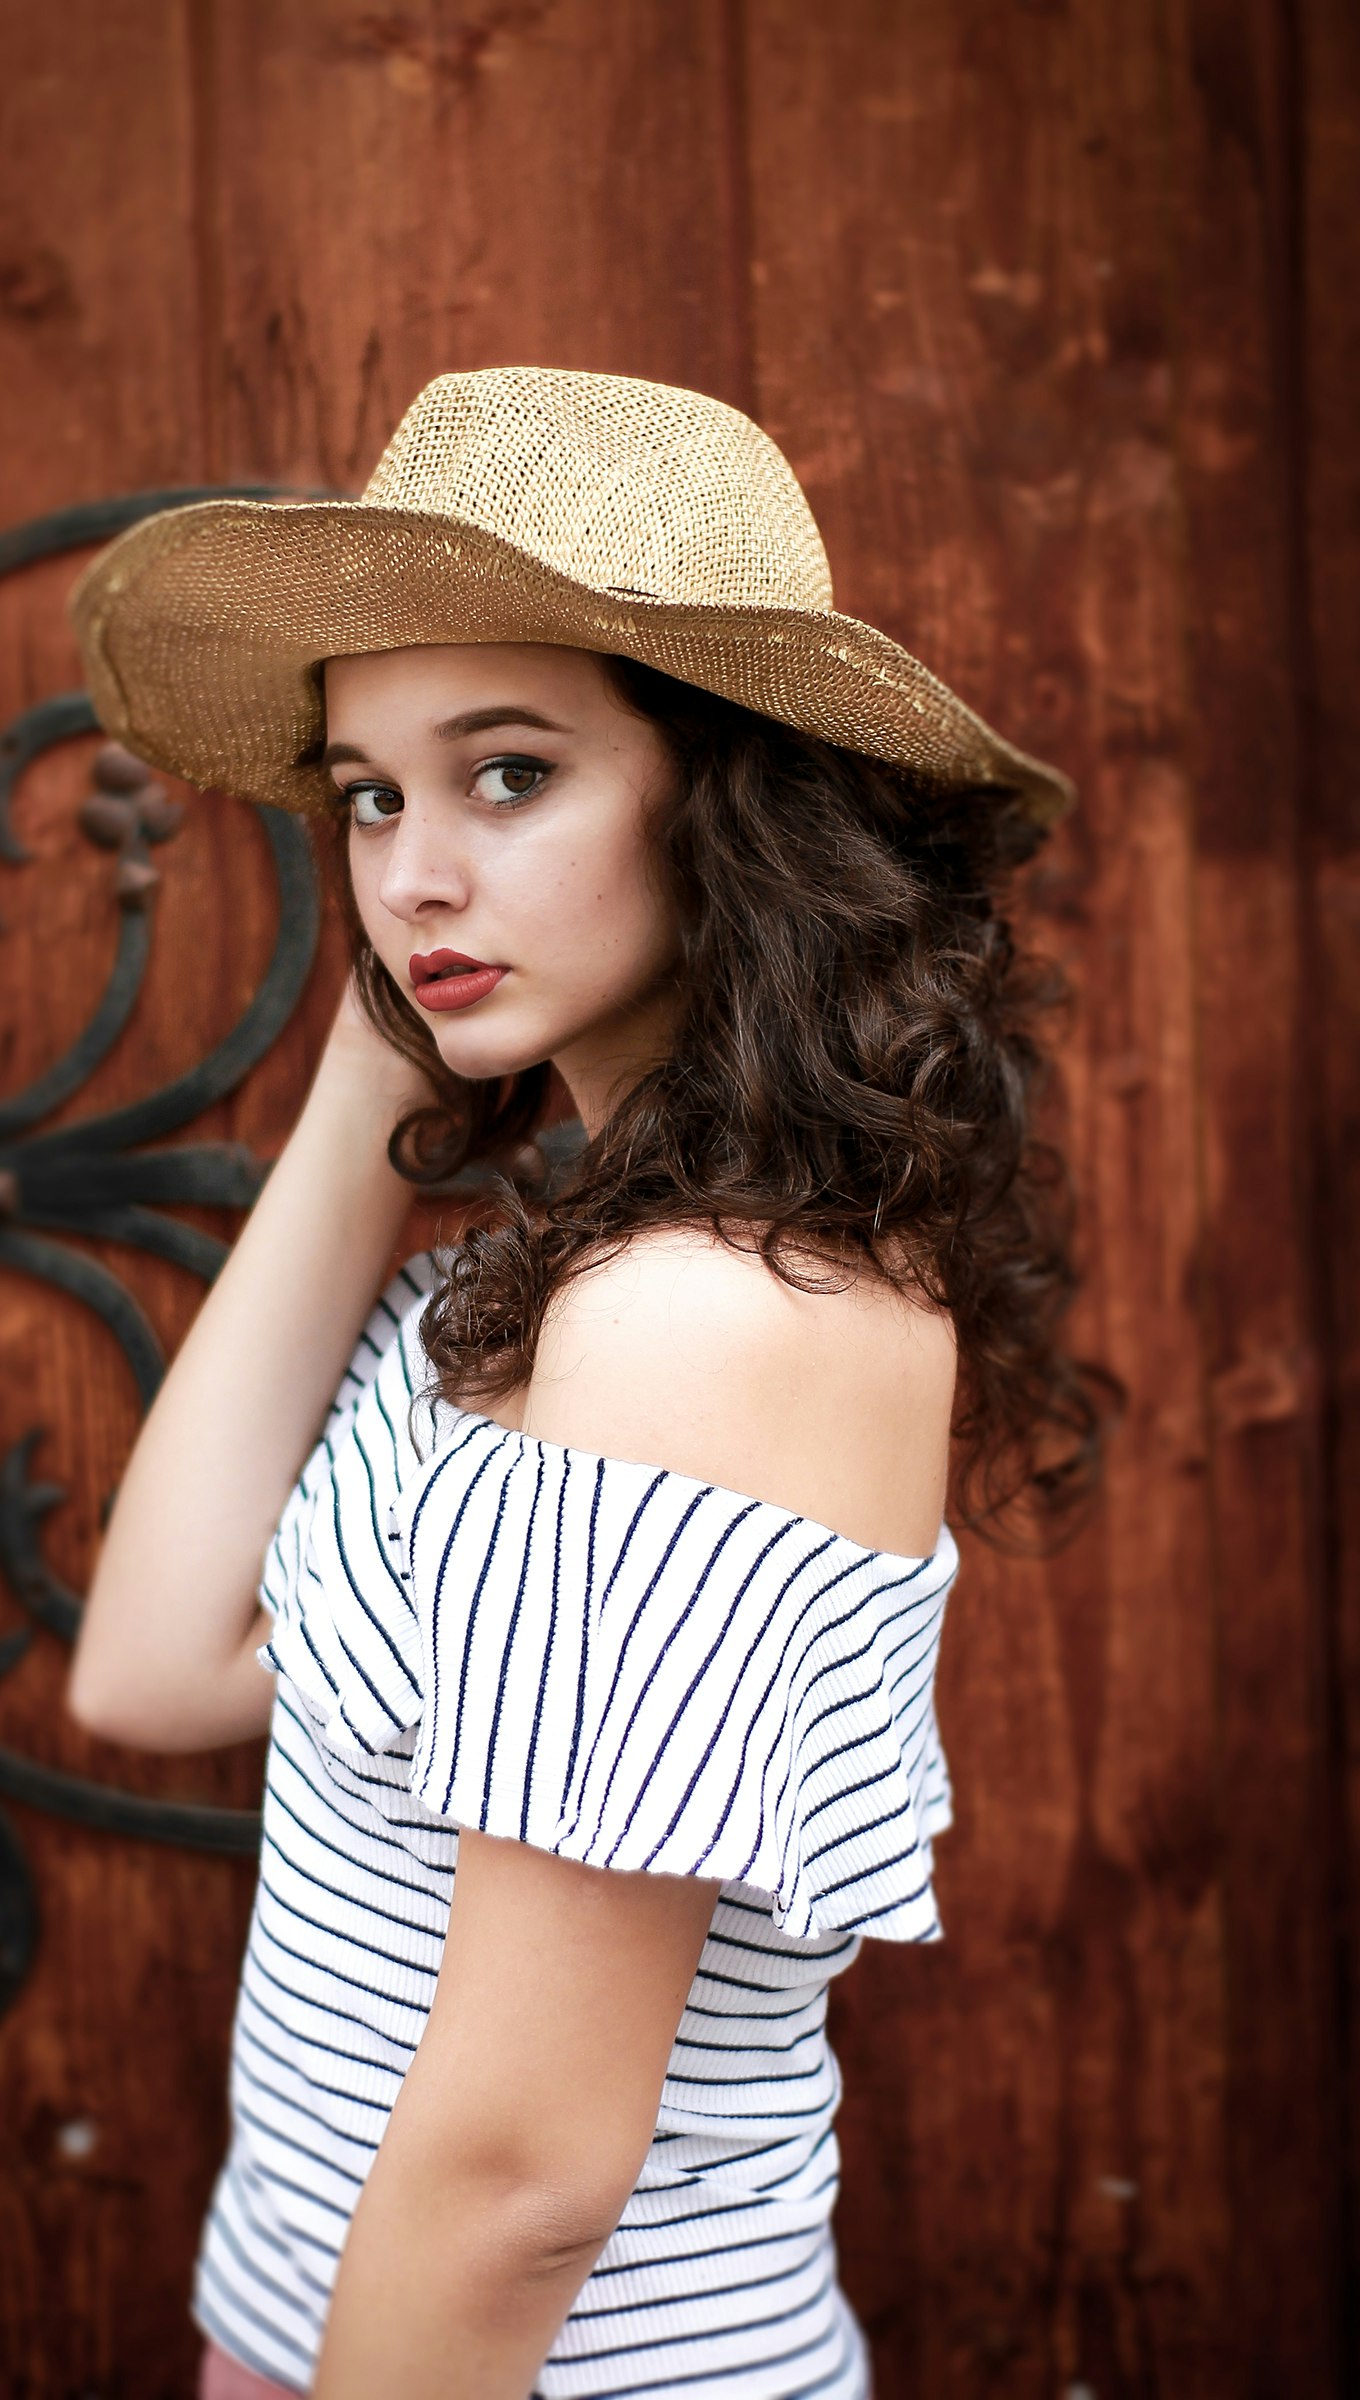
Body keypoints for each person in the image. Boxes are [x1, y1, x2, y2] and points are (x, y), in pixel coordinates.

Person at [65, 369, 1110, 2400]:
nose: (409, 872)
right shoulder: (531, 1283)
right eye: (368, 797)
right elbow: (153, 1671)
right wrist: (386, 1050)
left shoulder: (702, 1320)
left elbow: (528, 2181)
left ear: (724, 797)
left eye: (508, 774)